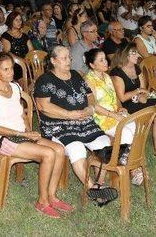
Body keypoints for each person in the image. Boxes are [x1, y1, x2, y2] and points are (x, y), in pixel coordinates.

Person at [0, 53, 73, 218]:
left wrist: (29, 132)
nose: (10, 72)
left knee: (59, 149)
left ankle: (52, 196)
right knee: (48, 153)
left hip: (21, 135)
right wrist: (22, 133)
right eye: (5, 69)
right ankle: (42, 202)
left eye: (11, 68)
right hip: (2, 139)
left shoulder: (14, 87)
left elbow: (22, 114)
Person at [33, 46, 117, 205]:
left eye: (69, 57)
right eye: (64, 58)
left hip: (84, 122)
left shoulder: (77, 75)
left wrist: (89, 108)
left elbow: (90, 97)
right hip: (58, 125)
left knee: (104, 143)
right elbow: (43, 106)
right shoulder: (45, 80)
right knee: (76, 147)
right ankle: (92, 189)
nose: (69, 60)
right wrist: (69, 114)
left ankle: (99, 183)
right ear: (53, 61)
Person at [83, 48, 143, 182]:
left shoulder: (107, 76)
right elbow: (94, 106)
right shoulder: (88, 81)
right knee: (125, 132)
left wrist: (121, 109)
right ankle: (132, 169)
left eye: (105, 58)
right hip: (101, 118)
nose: (106, 62)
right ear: (92, 65)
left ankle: (130, 162)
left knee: (134, 126)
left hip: (114, 114)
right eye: (101, 60)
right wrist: (113, 115)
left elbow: (114, 97)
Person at [0, 11, 33, 83]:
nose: (19, 22)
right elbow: (6, 53)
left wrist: (27, 60)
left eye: (20, 19)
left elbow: (31, 50)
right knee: (21, 73)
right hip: (13, 65)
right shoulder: (6, 36)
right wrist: (19, 60)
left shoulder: (24, 36)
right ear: (11, 21)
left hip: (27, 63)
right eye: (16, 20)